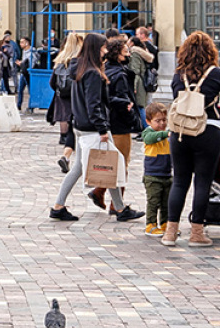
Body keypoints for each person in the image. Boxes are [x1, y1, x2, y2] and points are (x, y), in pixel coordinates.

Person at [161, 31, 220, 248]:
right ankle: (197, 232)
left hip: (180, 132)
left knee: (179, 181)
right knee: (202, 181)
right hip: (208, 129)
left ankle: (170, 232)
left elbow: (176, 97)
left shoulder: (179, 73)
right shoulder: (216, 73)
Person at [49, 33, 131, 221]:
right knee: (110, 165)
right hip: (93, 127)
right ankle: (120, 209)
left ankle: (58, 206)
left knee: (79, 168)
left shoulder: (80, 68)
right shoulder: (93, 73)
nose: (105, 51)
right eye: (103, 48)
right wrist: (102, 129)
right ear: (96, 49)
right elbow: (93, 104)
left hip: (80, 125)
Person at [93, 36, 146, 221]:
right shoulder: (122, 75)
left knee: (114, 162)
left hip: (108, 122)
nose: (129, 54)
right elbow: (122, 100)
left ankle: (105, 195)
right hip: (120, 124)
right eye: (126, 51)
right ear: (118, 54)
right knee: (122, 163)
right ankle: (113, 202)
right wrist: (130, 113)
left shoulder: (104, 69)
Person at [49, 33, 84, 173]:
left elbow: (52, 82)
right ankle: (72, 159)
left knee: (70, 129)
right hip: (77, 100)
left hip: (63, 99)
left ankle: (66, 157)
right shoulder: (80, 60)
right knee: (79, 131)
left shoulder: (60, 59)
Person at [141, 102, 173, 237]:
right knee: (153, 201)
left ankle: (165, 223)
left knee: (166, 202)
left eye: (164, 120)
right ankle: (150, 224)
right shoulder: (149, 132)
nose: (161, 123)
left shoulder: (167, 136)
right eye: (157, 121)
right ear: (148, 121)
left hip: (166, 174)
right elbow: (149, 139)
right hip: (152, 175)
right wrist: (165, 134)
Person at [128, 36, 154, 125]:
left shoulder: (134, 53)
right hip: (142, 81)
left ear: (132, 43)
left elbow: (135, 71)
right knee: (141, 106)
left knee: (140, 107)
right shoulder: (143, 52)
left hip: (138, 83)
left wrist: (134, 86)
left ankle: (146, 127)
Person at [16, 37, 32, 111]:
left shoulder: (31, 51)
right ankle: (18, 105)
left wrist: (22, 64)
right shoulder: (23, 51)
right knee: (20, 89)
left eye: (22, 42)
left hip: (28, 73)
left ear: (27, 43)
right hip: (23, 72)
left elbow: (32, 62)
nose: (20, 44)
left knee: (30, 90)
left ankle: (30, 105)